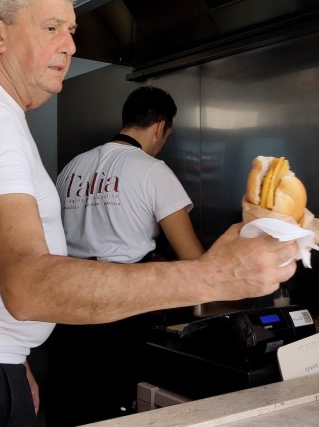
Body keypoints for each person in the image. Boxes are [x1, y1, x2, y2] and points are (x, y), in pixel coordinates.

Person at [0, 0, 297, 427]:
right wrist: (216, 276)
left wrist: (13, 356)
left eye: (72, 30)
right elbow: (27, 284)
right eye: (51, 27)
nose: (70, 45)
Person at [46, 86, 205, 425]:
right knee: (116, 408)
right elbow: (193, 257)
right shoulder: (152, 170)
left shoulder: (72, 167)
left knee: (70, 404)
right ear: (161, 127)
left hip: (65, 303)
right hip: (121, 308)